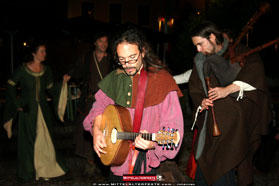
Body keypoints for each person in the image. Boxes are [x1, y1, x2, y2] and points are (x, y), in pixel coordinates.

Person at [83, 28, 184, 182]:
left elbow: (174, 129)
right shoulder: (115, 79)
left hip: (147, 166)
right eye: (122, 60)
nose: (127, 64)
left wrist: (153, 145)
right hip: (118, 162)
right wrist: (96, 130)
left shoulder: (162, 80)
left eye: (132, 58)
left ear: (143, 52)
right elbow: (98, 107)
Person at [188, 21, 272, 186]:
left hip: (235, 129)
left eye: (200, 44)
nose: (198, 50)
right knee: (204, 172)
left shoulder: (241, 51)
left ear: (212, 37)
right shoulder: (200, 62)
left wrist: (228, 89)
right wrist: (202, 103)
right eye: (195, 46)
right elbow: (195, 89)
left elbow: (255, 73)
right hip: (211, 129)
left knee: (225, 169)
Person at [2, 40, 69, 182]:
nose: (45, 54)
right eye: (42, 51)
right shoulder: (22, 69)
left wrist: (62, 83)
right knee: (30, 141)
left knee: (45, 140)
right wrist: (17, 103)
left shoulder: (47, 70)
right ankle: (31, 171)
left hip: (43, 110)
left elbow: (51, 88)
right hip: (28, 111)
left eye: (45, 51)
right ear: (34, 53)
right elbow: (10, 85)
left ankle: (46, 169)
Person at [65, 31, 113, 165]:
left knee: (106, 125)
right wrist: (69, 75)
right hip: (89, 98)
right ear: (95, 43)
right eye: (100, 41)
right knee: (87, 126)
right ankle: (90, 157)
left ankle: (105, 154)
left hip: (106, 99)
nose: (103, 44)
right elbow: (77, 68)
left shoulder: (112, 59)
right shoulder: (87, 57)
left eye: (105, 42)